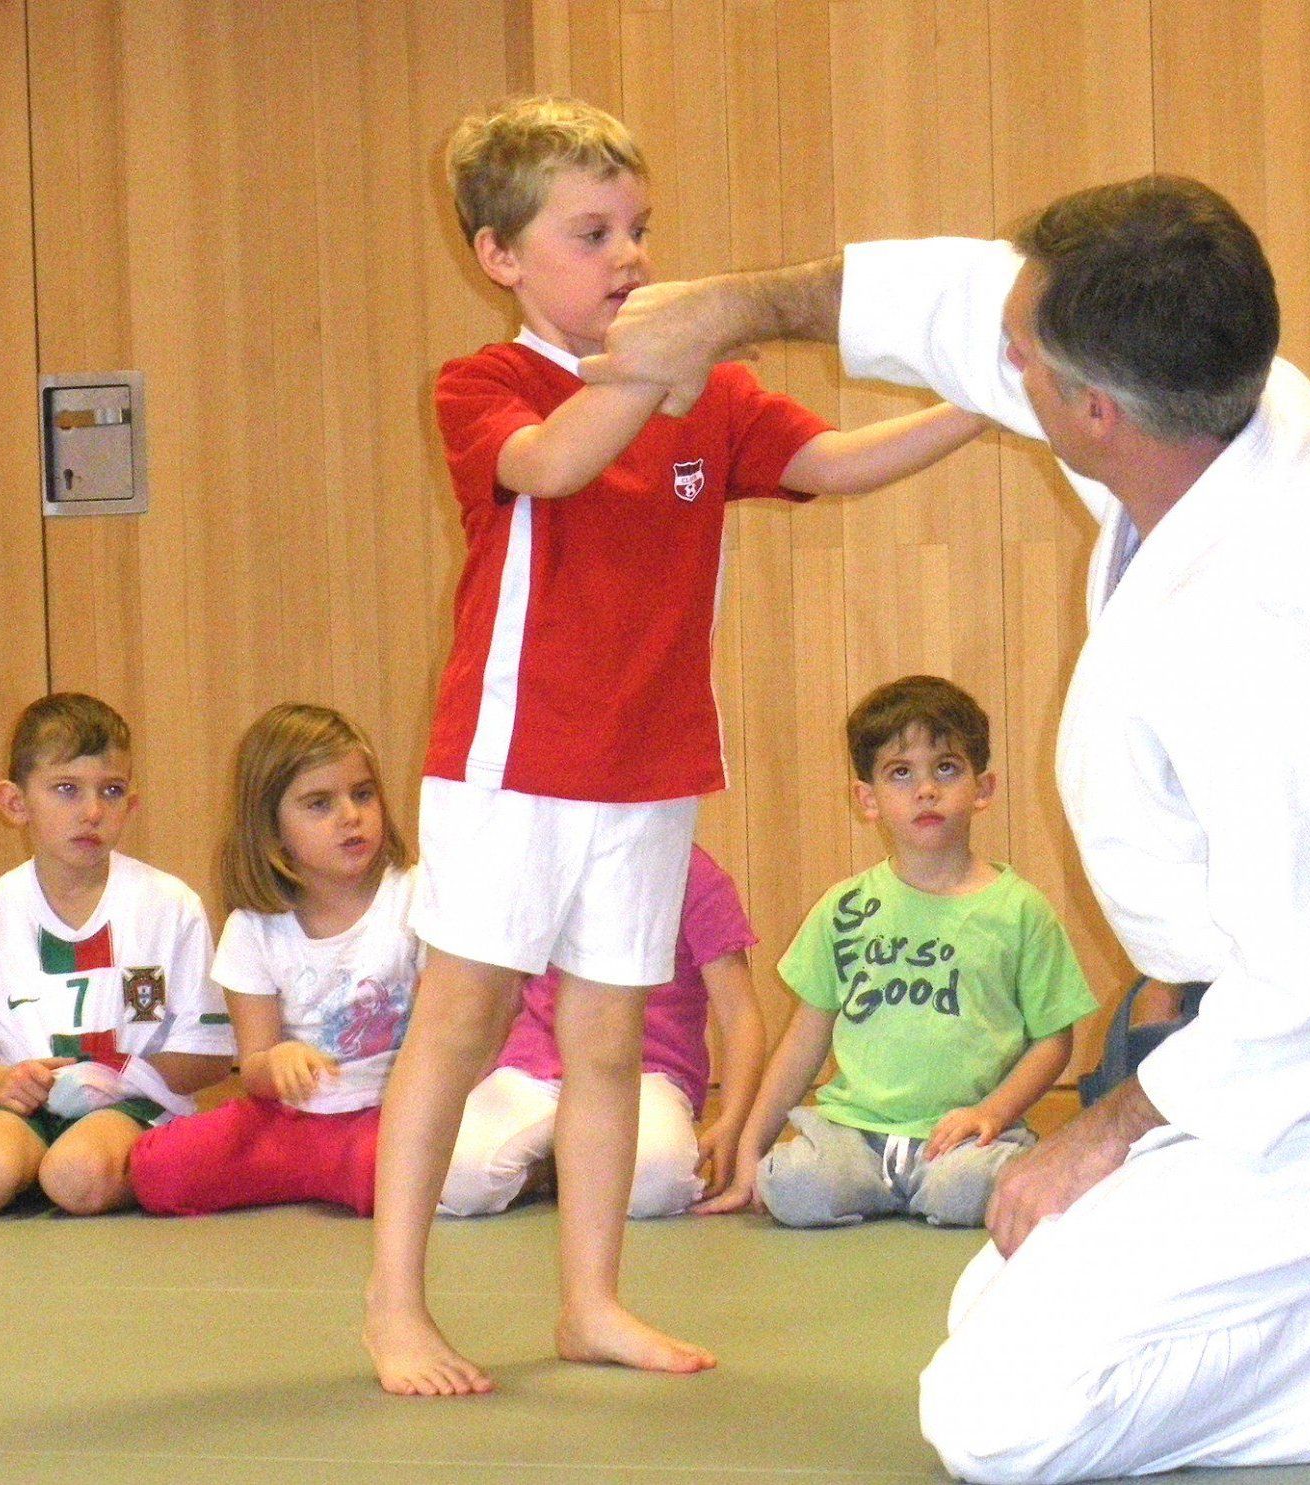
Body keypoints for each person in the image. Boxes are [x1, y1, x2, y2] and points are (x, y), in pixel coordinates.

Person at [583, 175, 1310, 1477]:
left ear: (1092, 411)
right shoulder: (1216, 392)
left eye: (1025, 362)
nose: (995, 363)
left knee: (1003, 1421)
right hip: (1292, 1020)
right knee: (1008, 1284)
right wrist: (734, 308)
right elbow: (958, 302)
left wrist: (1101, 1132)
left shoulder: (1271, 630)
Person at [365, 95, 988, 1397]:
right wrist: (661, 360)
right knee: (461, 1021)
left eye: (640, 229)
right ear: (500, 257)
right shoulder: (489, 385)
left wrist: (977, 407)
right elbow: (550, 465)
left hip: (648, 773)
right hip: (509, 765)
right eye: (591, 233)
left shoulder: (712, 395)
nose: (631, 256)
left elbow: (830, 464)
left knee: (606, 1038)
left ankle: (591, 1301)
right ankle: (395, 1305)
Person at [701, 676, 1095, 1230]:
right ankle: (880, 1183)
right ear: (868, 799)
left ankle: (963, 1175)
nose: (926, 790)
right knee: (792, 1188)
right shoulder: (844, 907)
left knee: (968, 1191)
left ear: (984, 789)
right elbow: (805, 1040)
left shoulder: (1020, 910)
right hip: (856, 1134)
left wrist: (993, 1112)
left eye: (947, 769)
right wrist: (749, 1147)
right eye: (901, 773)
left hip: (962, 1137)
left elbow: (1053, 1041)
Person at [0, 693, 234, 1217]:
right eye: (66, 789)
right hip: (22, 1106)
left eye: (110, 791)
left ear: (131, 804)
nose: (91, 812)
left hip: (132, 1107)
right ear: (15, 803)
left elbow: (211, 1055)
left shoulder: (171, 907)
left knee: (78, 1176)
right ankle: (9, 1162)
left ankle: (132, 1166)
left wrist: (114, 1078)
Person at [129, 704, 420, 1217]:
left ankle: (349, 1174)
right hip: (290, 1121)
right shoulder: (254, 927)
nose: (351, 815)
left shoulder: (414, 897)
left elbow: (456, 1033)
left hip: (391, 1113)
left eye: (363, 794)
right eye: (319, 804)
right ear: (272, 830)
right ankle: (327, 1175)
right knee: (158, 1171)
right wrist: (278, 1061)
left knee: (408, 1172)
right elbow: (255, 1066)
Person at [438, 843, 762, 1220]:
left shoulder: (693, 874)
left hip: (647, 1074)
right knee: (458, 1181)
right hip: (536, 1067)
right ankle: (563, 1155)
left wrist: (734, 1120)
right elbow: (502, 990)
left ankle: (576, 1153)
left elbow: (741, 1015)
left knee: (655, 1185)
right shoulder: (544, 861)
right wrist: (474, 1085)